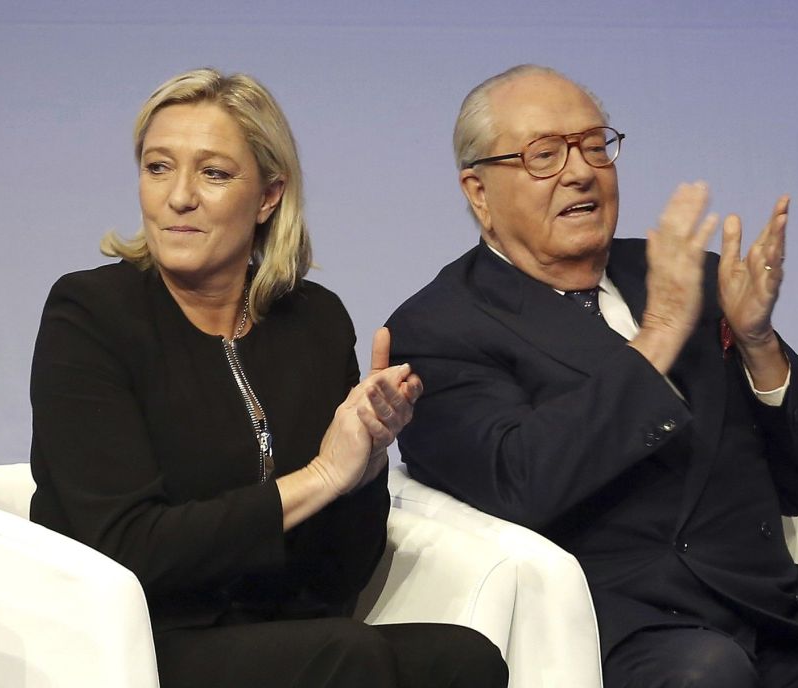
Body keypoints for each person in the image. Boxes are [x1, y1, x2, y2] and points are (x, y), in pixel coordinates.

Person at [385, 64, 798, 687]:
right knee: (707, 674)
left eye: (594, 145)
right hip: (616, 632)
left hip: (774, 614)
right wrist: (657, 337)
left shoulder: (691, 276)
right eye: (544, 155)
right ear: (478, 191)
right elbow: (517, 482)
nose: (581, 172)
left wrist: (758, 343)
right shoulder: (437, 329)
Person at [29, 68, 507, 688]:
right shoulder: (90, 315)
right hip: (133, 642)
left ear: (268, 196)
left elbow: (339, 575)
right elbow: (127, 546)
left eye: (213, 173)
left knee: (465, 658)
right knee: (345, 656)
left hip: (280, 631)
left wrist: (364, 466)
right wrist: (320, 477)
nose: (179, 196)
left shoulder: (314, 320)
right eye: (158, 167)